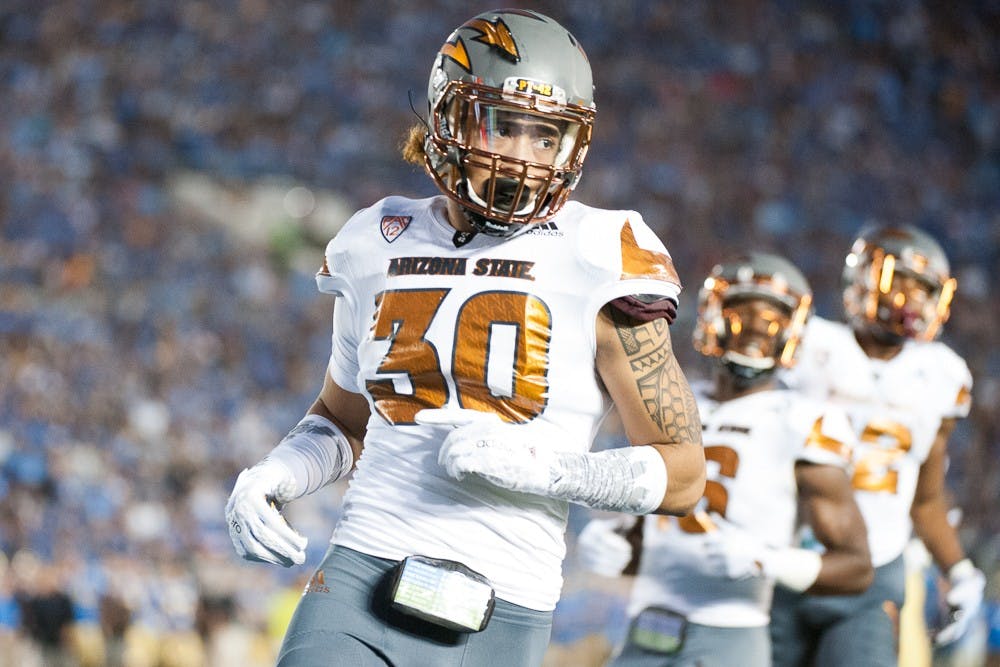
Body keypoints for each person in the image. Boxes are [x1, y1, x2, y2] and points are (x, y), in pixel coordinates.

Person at [224, 9, 706, 667]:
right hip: (362, 575)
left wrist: (552, 471)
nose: (520, 154)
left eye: (545, 136)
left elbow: (682, 470)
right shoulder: (376, 239)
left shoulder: (603, 252)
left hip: (504, 609)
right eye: (503, 124)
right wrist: (275, 472)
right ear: (447, 117)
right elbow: (344, 420)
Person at [575, 252, 873, 667]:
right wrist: (618, 544)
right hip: (645, 628)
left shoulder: (802, 419)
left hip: (730, 635)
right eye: (740, 314)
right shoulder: (674, 398)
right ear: (712, 317)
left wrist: (767, 560)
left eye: (770, 319)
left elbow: (856, 568)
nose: (753, 329)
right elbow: (658, 536)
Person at [769, 224, 985, 667]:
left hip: (873, 570)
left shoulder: (943, 375)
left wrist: (959, 571)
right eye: (898, 282)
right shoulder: (809, 345)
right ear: (862, 278)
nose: (909, 300)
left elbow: (925, 499)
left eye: (921, 290)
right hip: (785, 555)